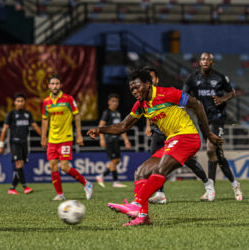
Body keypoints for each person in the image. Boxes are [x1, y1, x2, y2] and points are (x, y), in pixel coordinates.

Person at [87, 69, 222, 226]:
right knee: (141, 172)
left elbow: (197, 104)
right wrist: (100, 129)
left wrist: (208, 134)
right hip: (172, 140)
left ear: (147, 84)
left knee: (160, 169)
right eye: (132, 89)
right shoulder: (141, 104)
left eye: (137, 87)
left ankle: (136, 205)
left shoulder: (168, 93)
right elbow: (123, 126)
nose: (135, 92)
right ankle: (143, 217)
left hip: (187, 137)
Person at [143, 66, 215, 204]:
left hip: (176, 133)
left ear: (157, 79)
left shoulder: (166, 93)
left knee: (190, 162)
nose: (149, 81)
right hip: (159, 132)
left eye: (151, 77)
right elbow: (148, 111)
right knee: (155, 161)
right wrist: (147, 125)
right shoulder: (146, 97)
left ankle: (208, 184)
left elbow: (188, 104)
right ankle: (160, 194)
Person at [183, 52, 242, 201]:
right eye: (203, 59)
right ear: (199, 62)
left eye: (209, 59)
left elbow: (232, 92)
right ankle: (235, 184)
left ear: (212, 63)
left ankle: (211, 189)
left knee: (210, 149)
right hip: (203, 120)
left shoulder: (219, 77)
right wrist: (191, 107)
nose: (206, 61)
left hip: (218, 119)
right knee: (218, 155)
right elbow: (184, 96)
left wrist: (222, 99)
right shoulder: (193, 78)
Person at [41, 75, 93, 201]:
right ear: (49, 86)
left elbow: (77, 116)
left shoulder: (68, 99)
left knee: (64, 167)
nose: (54, 86)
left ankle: (86, 183)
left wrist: (79, 135)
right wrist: (43, 137)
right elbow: (45, 120)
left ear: (61, 85)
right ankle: (60, 194)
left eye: (57, 83)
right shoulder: (46, 102)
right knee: (53, 166)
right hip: (52, 139)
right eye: (52, 84)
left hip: (65, 138)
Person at [0, 93, 41, 195]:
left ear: (24, 102)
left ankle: (12, 188)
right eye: (18, 101)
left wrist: (44, 137)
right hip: (14, 143)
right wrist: (0, 146)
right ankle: (25, 187)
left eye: (22, 101)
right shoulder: (11, 114)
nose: (20, 103)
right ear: (14, 102)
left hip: (24, 143)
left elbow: (35, 126)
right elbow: (4, 130)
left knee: (20, 166)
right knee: (19, 163)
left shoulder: (27, 114)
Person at [95, 93, 131, 188]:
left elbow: (121, 128)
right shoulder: (107, 112)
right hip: (109, 140)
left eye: (116, 101)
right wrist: (101, 139)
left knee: (117, 160)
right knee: (114, 160)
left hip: (116, 140)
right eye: (113, 101)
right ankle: (114, 181)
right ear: (109, 102)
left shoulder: (118, 113)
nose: (115, 103)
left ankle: (102, 176)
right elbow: (101, 126)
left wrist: (126, 140)